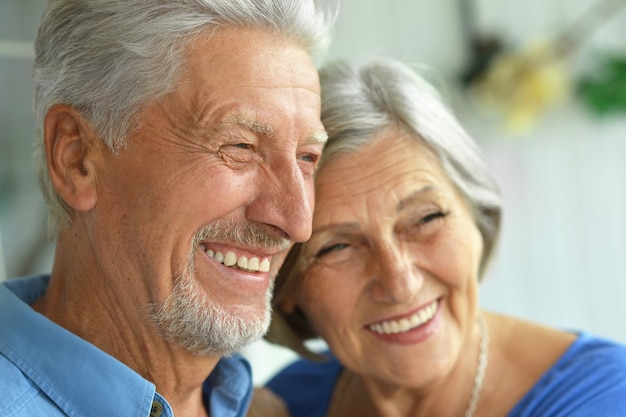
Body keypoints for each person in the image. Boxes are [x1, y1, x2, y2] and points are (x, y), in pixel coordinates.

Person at [0, 1, 333, 416]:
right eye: (240, 147)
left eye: (307, 157)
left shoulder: (269, 406)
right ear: (77, 158)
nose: (297, 222)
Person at [264, 58, 626, 417]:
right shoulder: (283, 402)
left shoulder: (606, 399)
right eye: (336, 247)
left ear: (477, 215)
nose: (400, 283)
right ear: (285, 285)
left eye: (426, 218)